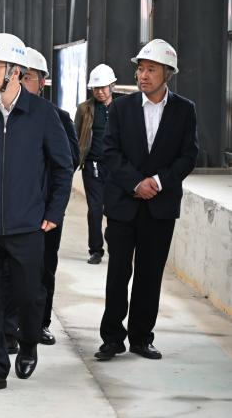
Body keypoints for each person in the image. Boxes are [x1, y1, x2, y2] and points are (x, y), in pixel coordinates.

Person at [0, 33, 72, 393]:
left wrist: (53, 212)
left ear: (15, 71)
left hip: (28, 225)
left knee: (29, 295)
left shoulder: (43, 115)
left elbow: (62, 167)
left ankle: (29, 342)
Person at [95, 39, 198, 362]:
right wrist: (136, 183)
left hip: (160, 207)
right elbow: (110, 152)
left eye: (151, 69)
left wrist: (159, 181)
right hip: (124, 205)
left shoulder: (185, 110)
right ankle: (112, 338)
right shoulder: (121, 108)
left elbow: (188, 156)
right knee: (118, 273)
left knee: (149, 274)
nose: (143, 75)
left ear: (168, 73)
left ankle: (141, 338)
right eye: (140, 69)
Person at [19, 47, 80, 346]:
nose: (22, 82)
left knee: (44, 268)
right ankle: (10, 324)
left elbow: (71, 161)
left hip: (45, 212)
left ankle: (40, 323)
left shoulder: (59, 117)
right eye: (18, 76)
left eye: (28, 77)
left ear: (42, 82)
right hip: (11, 210)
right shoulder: (0, 116)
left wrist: (52, 204)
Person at [75, 64, 118, 265]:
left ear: (112, 86)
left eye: (103, 87)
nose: (100, 92)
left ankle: (115, 247)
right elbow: (75, 136)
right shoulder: (84, 109)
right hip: (92, 166)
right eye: (96, 88)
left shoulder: (121, 107)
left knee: (114, 210)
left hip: (116, 167)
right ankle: (96, 250)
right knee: (95, 210)